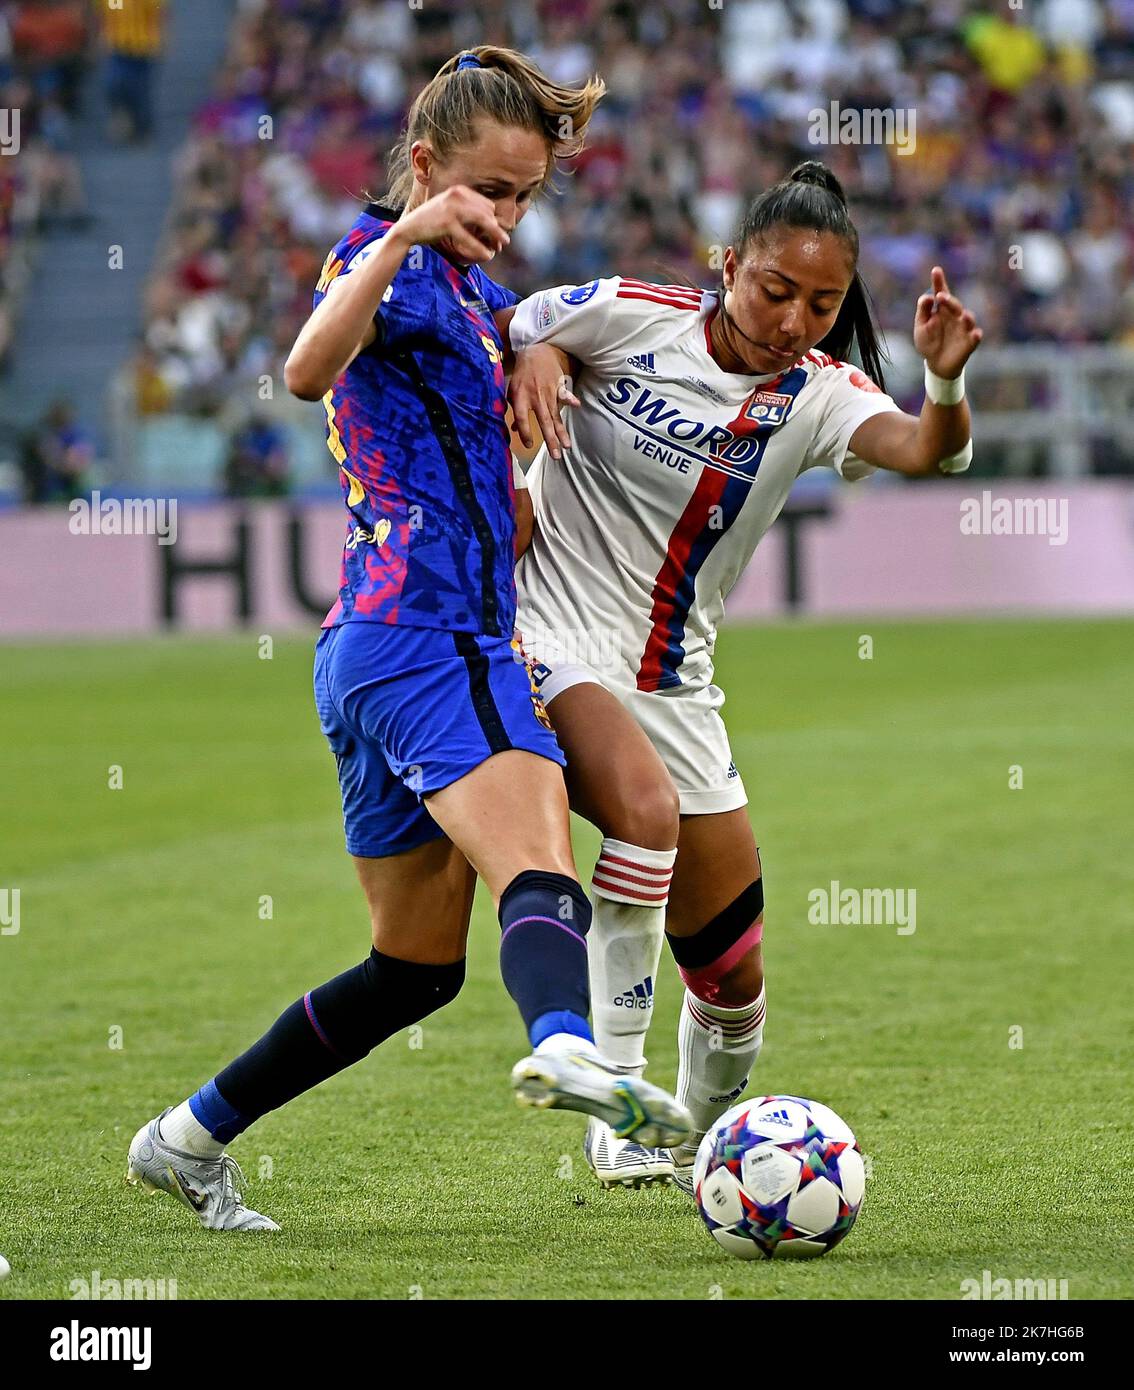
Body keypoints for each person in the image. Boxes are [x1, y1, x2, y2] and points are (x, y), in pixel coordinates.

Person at [125, 47, 691, 1232]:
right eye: (487, 189)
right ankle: (575, 1048)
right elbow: (302, 367)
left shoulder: (473, 299)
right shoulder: (377, 262)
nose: (506, 215)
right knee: (537, 868)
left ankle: (186, 1138)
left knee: (415, 966)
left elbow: (509, 431)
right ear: (426, 166)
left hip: (371, 649)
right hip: (434, 635)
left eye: (527, 194)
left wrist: (534, 356)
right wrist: (393, 241)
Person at [503, 160, 982, 1190]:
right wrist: (535, 356)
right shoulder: (632, 315)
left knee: (732, 982)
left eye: (822, 302)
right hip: (542, 633)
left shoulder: (820, 397)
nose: (794, 318)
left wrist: (943, 381)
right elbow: (512, 320)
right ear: (729, 266)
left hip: (674, 685)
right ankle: (617, 1104)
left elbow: (929, 453)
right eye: (775, 289)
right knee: (643, 813)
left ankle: (696, 1146)